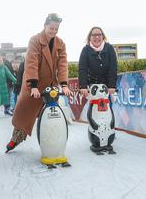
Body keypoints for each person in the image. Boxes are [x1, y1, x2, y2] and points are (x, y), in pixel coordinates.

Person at [6, 13, 71, 153]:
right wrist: (34, 85)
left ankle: (52, 142)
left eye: (56, 29)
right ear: (45, 25)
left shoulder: (61, 44)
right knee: (25, 116)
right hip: (33, 84)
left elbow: (62, 64)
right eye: (51, 28)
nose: (53, 31)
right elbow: (32, 63)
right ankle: (15, 139)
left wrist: (64, 84)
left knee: (51, 115)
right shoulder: (35, 40)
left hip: (50, 87)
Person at [78, 26, 118, 98]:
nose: (97, 37)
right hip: (91, 87)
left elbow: (113, 68)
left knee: (108, 108)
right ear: (90, 37)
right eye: (94, 35)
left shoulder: (110, 48)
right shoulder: (85, 50)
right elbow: (82, 69)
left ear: (103, 36)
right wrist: (83, 86)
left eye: (99, 35)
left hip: (106, 87)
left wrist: (112, 86)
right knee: (92, 108)